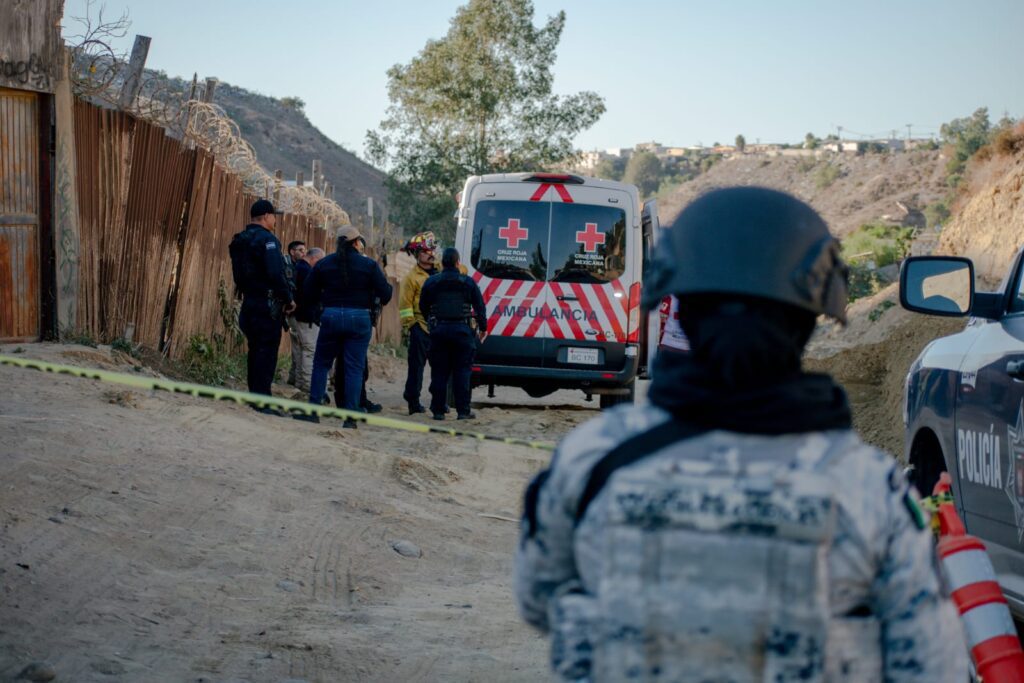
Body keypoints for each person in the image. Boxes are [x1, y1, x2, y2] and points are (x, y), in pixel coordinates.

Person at [514, 187, 967, 681]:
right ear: (809, 318)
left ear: (678, 304)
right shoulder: (870, 488)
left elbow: (539, 600)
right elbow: (929, 664)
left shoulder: (595, 459)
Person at [297, 225, 391, 428]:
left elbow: (307, 290)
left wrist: (319, 307)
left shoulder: (325, 263)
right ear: (357, 242)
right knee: (354, 369)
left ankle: (313, 412)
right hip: (359, 318)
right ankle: (350, 419)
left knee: (321, 363)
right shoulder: (368, 265)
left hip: (330, 316)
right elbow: (386, 294)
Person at [230, 199, 295, 414]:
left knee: (255, 351)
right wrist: (288, 299)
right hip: (267, 305)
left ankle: (255, 397)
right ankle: (263, 401)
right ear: (266, 216)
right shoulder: (268, 240)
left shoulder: (240, 239)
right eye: (273, 216)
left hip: (249, 302)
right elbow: (275, 273)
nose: (274, 220)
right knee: (266, 353)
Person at [419, 248, 486, 420]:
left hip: (439, 331)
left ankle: (438, 411)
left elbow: (423, 306)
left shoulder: (431, 282)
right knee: (462, 372)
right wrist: (483, 328)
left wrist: (432, 321)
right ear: (458, 263)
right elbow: (479, 307)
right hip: (462, 333)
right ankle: (463, 411)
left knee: (439, 372)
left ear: (442, 264)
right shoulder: (468, 282)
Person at [399, 231, 438, 414]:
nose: (431, 253)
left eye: (432, 249)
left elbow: (462, 269)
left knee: (440, 368)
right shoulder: (411, 278)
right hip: (420, 327)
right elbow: (405, 305)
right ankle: (413, 401)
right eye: (426, 250)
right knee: (416, 368)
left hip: (441, 328)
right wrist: (412, 326)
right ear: (417, 254)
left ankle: (439, 402)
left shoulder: (442, 270)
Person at [286, 247, 325, 396]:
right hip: (306, 317)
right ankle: (307, 385)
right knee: (309, 351)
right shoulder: (307, 271)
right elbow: (310, 296)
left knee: (299, 349)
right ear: (315, 258)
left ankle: (298, 381)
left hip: (298, 316)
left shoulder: (299, 268)